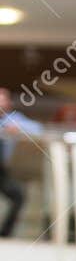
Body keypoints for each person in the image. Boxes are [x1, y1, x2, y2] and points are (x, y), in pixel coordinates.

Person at [0, 88, 44, 238]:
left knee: (18, 197)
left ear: (8, 103)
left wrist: (18, 129)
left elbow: (38, 129)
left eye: (2, 99)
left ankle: (5, 234)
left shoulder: (14, 119)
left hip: (4, 172)